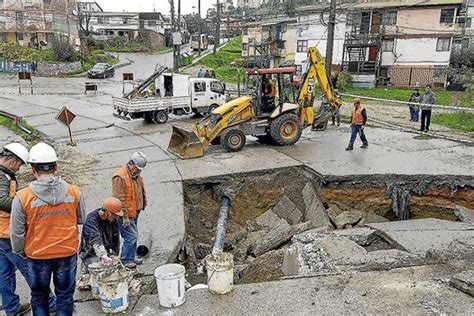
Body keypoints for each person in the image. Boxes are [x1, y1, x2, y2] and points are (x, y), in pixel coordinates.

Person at [10, 142, 86, 316]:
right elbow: (81, 218)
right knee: (65, 296)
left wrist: (21, 252)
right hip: (66, 253)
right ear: (56, 167)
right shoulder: (73, 191)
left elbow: (16, 232)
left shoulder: (23, 196)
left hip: (37, 255)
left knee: (39, 297)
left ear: (32, 169)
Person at [0, 143, 32, 316]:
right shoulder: (1, 176)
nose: (19, 169)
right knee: (30, 269)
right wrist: (25, 206)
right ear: (12, 161)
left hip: (1, 233)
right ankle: (49, 303)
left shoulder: (5, 174)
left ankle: (12, 308)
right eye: (19, 164)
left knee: (4, 274)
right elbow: (3, 201)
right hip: (6, 234)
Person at [77, 197, 123, 289]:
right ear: (107, 213)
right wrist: (103, 255)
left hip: (105, 249)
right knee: (96, 278)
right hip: (90, 252)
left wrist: (114, 254)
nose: (116, 217)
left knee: (116, 272)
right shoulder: (91, 220)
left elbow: (115, 237)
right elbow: (95, 239)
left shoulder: (112, 219)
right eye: (115, 215)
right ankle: (85, 271)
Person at [112, 152, 147, 269]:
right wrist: (124, 216)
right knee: (130, 236)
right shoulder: (120, 177)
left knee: (134, 235)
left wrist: (143, 204)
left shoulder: (135, 174)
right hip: (126, 213)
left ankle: (130, 257)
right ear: (131, 163)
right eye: (137, 169)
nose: (138, 171)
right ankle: (126, 260)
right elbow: (119, 199)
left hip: (135, 211)